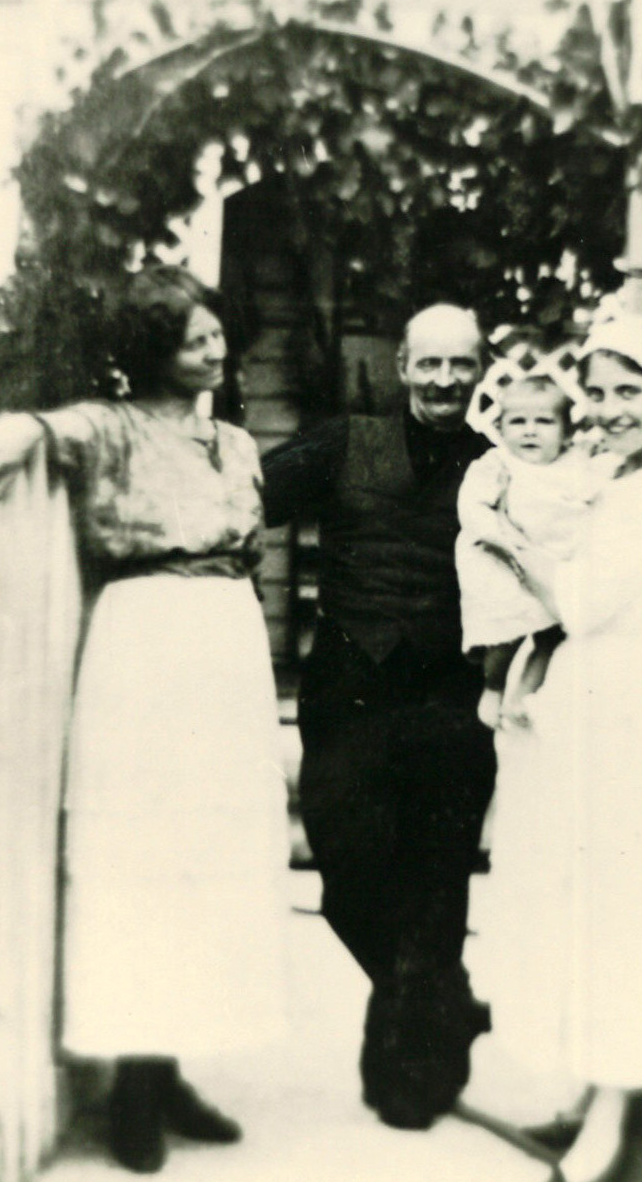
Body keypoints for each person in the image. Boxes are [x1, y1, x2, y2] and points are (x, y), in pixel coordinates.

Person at [0, 266, 288, 1174]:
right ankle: (133, 1090)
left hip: (224, 647)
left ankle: (173, 1064)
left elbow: (250, 555)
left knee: (211, 863)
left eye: (217, 333)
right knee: (143, 859)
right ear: (153, 348)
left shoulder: (235, 441)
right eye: (193, 339)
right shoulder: (107, 428)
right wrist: (9, 433)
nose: (214, 349)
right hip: (144, 648)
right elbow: (26, 433)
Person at [468, 310, 642, 1182]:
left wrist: (511, 544)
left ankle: (614, 1116)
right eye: (602, 392)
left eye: (631, 391)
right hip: (588, 698)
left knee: (629, 901)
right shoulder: (610, 477)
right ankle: (587, 1086)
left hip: (640, 705)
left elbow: (582, 597)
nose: (611, 409)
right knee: (573, 890)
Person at [261, 303, 497, 1130]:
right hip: (349, 692)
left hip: (448, 699)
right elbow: (246, 497)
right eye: (428, 364)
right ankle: (445, 999)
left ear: (480, 369)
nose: (443, 381)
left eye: (460, 365)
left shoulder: (503, 463)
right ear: (401, 365)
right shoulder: (341, 440)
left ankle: (413, 1076)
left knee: (436, 887)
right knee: (347, 877)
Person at [456, 347, 617, 729]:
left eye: (544, 421)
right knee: (505, 630)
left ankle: (527, 694)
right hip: (503, 558)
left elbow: (598, 489)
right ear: (501, 427)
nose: (530, 430)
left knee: (554, 634)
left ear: (564, 432)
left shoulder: (574, 462)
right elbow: (473, 504)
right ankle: (493, 688)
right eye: (518, 422)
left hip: (556, 560)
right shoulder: (498, 463)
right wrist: (497, 538)